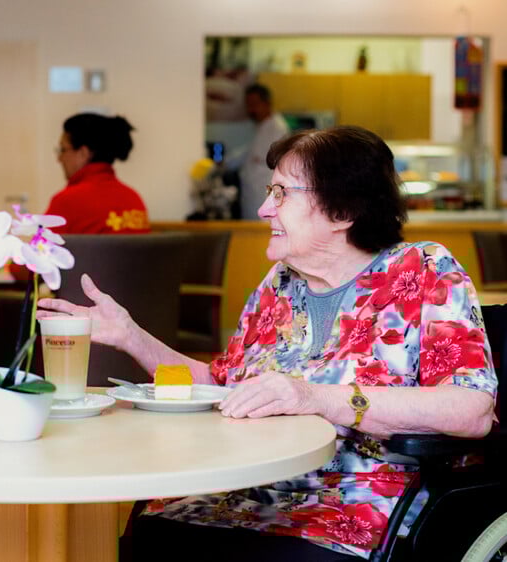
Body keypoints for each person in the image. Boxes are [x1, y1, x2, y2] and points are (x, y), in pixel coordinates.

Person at [39, 125, 497, 560]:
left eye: (281, 193)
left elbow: (470, 410)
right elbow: (219, 384)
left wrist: (313, 397)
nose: (264, 209)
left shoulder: (423, 270)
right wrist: (131, 336)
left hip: (356, 506)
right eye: (269, 191)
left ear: (343, 211)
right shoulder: (280, 284)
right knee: (148, 536)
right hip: (246, 490)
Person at [46, 112, 150, 234]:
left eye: (63, 150)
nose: (59, 159)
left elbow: (37, 251)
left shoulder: (67, 202)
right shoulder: (134, 199)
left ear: (83, 153)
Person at [238, 83, 290, 219]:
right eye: (248, 105)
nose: (251, 109)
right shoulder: (261, 128)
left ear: (267, 103)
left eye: (255, 104)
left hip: (264, 195)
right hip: (253, 196)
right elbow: (247, 154)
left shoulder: (277, 129)